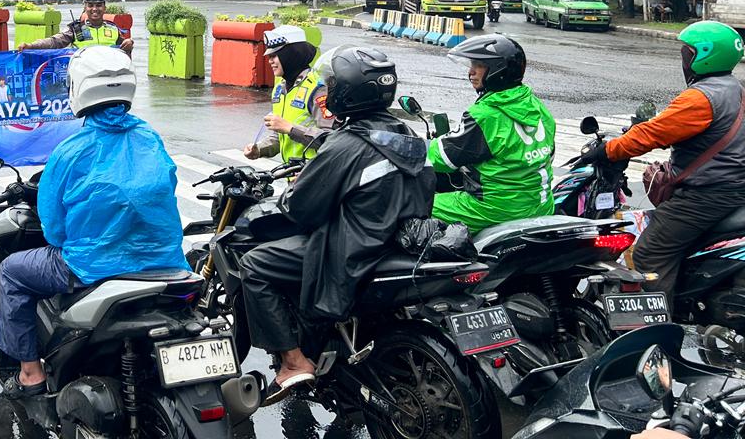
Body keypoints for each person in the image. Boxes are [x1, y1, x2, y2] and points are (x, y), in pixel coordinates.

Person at [238, 46, 433, 405]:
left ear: (348, 92)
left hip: (352, 249)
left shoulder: (346, 145)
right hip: (396, 242)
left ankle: (294, 362)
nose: (328, 91)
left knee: (255, 264)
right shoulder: (405, 135)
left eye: (333, 85)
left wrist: (287, 197)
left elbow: (303, 210)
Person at [0, 46, 186, 398]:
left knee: (12, 272)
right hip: (166, 263)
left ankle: (31, 373)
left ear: (77, 89)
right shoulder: (149, 139)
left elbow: (54, 230)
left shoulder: (70, 151)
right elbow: (165, 189)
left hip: (92, 266)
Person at [583, 21, 745, 296]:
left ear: (702, 56)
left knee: (649, 255)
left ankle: (654, 332)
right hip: (734, 187)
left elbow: (652, 133)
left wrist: (607, 151)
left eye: (686, 53)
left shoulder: (701, 98)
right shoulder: (736, 89)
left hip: (706, 195)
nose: (683, 60)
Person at [427, 34, 556, 232]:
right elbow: (549, 154)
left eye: (478, 65)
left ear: (498, 70)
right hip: (542, 205)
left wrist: (415, 150)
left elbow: (441, 158)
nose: (471, 72)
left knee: (416, 204)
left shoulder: (485, 116)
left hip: (496, 209)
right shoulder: (538, 107)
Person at [243, 25, 327, 162]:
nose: (270, 61)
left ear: (291, 55)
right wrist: (259, 149)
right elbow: (279, 135)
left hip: (317, 177)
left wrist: (290, 128)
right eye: (269, 56)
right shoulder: (280, 89)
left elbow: (331, 140)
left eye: (275, 56)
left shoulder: (317, 88)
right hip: (292, 175)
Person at [17, 0, 134, 55]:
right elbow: (54, 42)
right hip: (83, 79)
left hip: (108, 78)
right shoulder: (75, 29)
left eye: (98, 5)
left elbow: (124, 50)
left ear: (104, 8)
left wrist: (129, 45)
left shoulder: (113, 29)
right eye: (90, 5)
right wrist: (31, 46)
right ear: (85, 8)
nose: (94, 9)